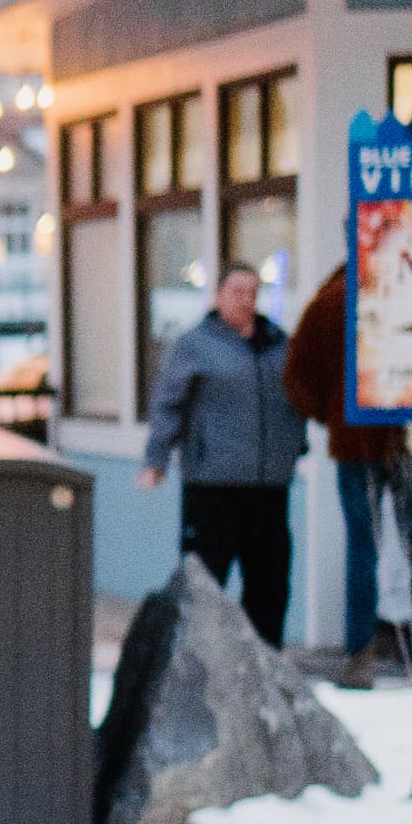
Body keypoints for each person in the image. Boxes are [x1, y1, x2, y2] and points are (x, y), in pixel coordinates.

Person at [279, 266, 412, 683]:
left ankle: (361, 654)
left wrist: (332, 414)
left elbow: (299, 376)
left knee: (364, 549)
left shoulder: (334, 297)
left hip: (360, 439)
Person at [138, 264, 300, 643]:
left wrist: (296, 443)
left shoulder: (278, 344)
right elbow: (168, 404)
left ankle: (265, 666)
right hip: (213, 485)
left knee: (270, 584)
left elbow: (298, 397)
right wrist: (156, 459)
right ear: (218, 297)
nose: (247, 300)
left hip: (269, 484)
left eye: (253, 292)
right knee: (205, 585)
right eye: (237, 292)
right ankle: (195, 662)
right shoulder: (196, 345)